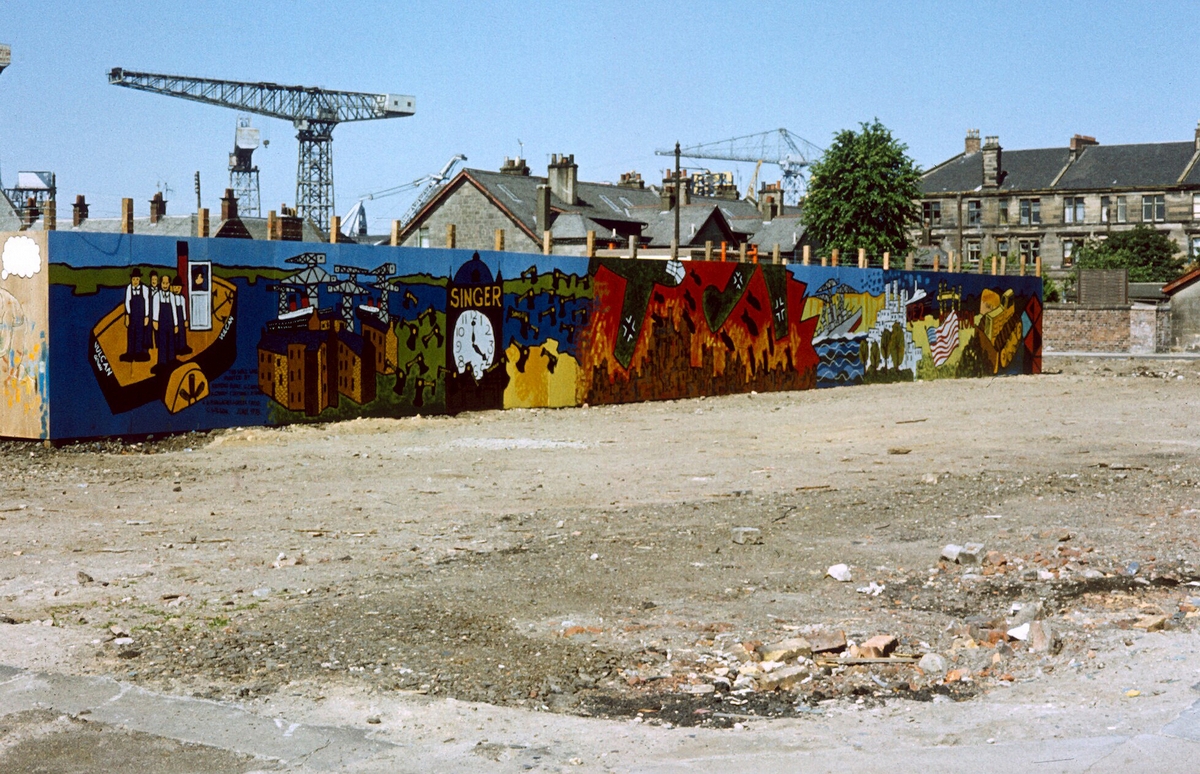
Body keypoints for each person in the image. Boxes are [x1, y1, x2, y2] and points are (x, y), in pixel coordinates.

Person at [120, 268, 150, 362]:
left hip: (141, 315)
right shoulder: (129, 288)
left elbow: (147, 303)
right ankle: (130, 353)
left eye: (137, 279)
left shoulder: (145, 289)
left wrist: (146, 316)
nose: (135, 281)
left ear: (139, 279)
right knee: (131, 333)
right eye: (133, 279)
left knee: (140, 334)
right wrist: (127, 315)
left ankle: (138, 353)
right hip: (132, 315)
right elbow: (127, 302)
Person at [151, 273, 177, 371]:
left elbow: (174, 310)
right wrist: (155, 321)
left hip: (170, 322)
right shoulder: (157, 296)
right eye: (163, 283)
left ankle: (172, 360)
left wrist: (176, 324)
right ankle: (162, 362)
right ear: (160, 283)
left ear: (169, 284)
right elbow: (155, 309)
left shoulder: (172, 296)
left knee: (171, 340)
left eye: (167, 283)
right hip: (161, 321)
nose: (165, 285)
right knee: (162, 341)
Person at [170, 275, 192, 355]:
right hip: (173, 318)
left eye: (178, 288)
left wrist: (185, 320)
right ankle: (176, 348)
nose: (176, 289)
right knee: (175, 334)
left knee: (182, 333)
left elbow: (183, 310)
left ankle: (182, 347)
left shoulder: (182, 298)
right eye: (175, 287)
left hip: (181, 318)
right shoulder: (171, 297)